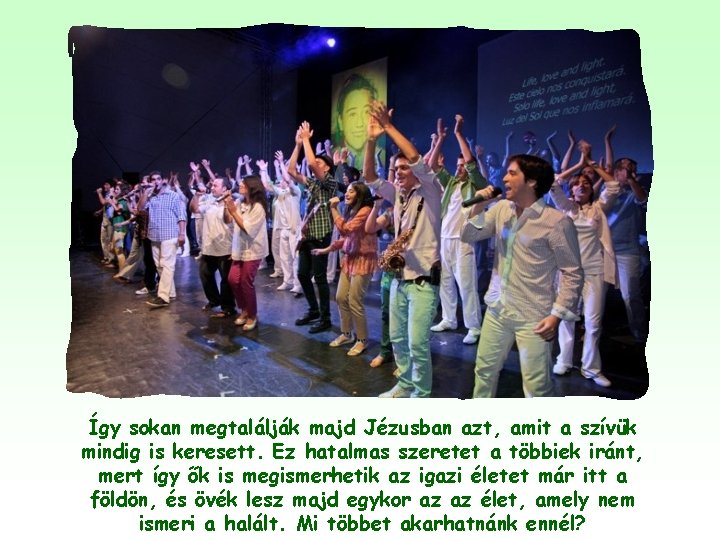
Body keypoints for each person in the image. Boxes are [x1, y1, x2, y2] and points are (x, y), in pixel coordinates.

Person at [462, 155, 583, 398]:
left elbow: (573, 272)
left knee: (536, 388)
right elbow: (468, 235)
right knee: (484, 372)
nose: (505, 178)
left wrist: (556, 315)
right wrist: (479, 206)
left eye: (512, 173)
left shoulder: (556, 222)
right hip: (498, 308)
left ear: (532, 181)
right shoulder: (501, 210)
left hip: (534, 315)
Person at [368, 102, 442, 398]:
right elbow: (370, 176)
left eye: (403, 168)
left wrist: (388, 127)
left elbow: (414, 157)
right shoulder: (397, 194)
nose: (398, 172)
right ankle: (405, 383)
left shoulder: (431, 190)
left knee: (417, 343)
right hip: (399, 278)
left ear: (415, 172)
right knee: (398, 339)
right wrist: (371, 141)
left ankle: (420, 395)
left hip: (423, 281)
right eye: (396, 169)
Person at [549, 146, 620, 387]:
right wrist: (580, 164)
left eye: (586, 184)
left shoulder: (598, 208)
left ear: (591, 189)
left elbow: (614, 186)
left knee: (593, 322)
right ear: (572, 189)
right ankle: (564, 360)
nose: (581, 186)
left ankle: (591, 368)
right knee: (566, 317)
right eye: (577, 184)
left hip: (593, 271)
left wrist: (593, 164)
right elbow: (553, 183)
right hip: (569, 273)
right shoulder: (565, 208)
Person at [428, 114, 487, 344]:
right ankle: (449, 318)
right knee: (445, 282)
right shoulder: (451, 183)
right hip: (445, 239)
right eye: (458, 165)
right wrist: (440, 140)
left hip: (463, 241)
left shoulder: (476, 184)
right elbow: (433, 166)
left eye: (463, 166)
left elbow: (472, 164)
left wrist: (458, 134)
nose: (460, 168)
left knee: (466, 285)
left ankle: (474, 327)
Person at [312, 182, 377, 356]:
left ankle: (362, 340)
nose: (346, 194)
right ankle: (347, 334)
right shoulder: (352, 211)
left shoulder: (365, 211)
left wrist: (333, 208)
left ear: (360, 194)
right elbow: (346, 238)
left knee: (355, 301)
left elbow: (346, 229)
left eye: (351, 191)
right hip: (349, 259)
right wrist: (326, 250)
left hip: (363, 260)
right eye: (346, 191)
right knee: (341, 297)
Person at [287, 122, 338, 334]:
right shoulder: (313, 183)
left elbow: (310, 162)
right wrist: (298, 144)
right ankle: (314, 310)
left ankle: (325, 318)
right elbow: (291, 170)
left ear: (326, 168)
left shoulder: (330, 182)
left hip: (320, 235)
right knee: (301, 275)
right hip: (307, 236)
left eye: (319, 162)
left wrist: (307, 139)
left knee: (320, 278)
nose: (314, 163)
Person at [605, 156, 648, 343]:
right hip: (602, 250)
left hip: (627, 251)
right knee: (596, 295)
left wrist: (630, 180)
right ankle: (597, 332)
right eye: (627, 169)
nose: (632, 172)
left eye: (633, 170)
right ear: (617, 172)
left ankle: (640, 334)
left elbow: (642, 198)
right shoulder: (606, 191)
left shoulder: (635, 191)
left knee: (630, 295)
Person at [224, 176, 269, 330]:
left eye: (244, 184)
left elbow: (248, 229)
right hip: (239, 248)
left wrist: (233, 211)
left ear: (252, 187)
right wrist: (227, 206)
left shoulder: (258, 207)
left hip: (253, 249)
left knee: (245, 281)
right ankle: (244, 309)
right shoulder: (239, 202)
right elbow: (228, 220)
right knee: (232, 279)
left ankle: (252, 315)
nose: (240, 185)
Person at [139, 171, 187, 309]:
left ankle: (163, 296)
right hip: (154, 235)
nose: (156, 182)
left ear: (162, 180)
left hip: (170, 234)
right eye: (153, 180)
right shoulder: (150, 197)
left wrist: (182, 234)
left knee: (167, 265)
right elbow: (140, 208)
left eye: (158, 179)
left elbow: (181, 215)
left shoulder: (172, 196)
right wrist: (145, 193)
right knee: (159, 265)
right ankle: (171, 292)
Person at [191, 176, 236, 319]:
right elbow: (195, 209)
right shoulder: (210, 202)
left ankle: (228, 307)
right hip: (209, 248)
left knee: (226, 280)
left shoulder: (233, 203)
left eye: (215, 185)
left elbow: (228, 220)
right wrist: (197, 195)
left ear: (225, 188)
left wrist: (226, 201)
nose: (212, 187)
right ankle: (214, 300)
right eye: (212, 185)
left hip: (225, 248)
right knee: (205, 275)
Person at [333, 74, 378, 168]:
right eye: (353, 114)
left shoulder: (381, 155)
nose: (359, 123)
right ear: (340, 121)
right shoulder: (333, 157)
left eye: (366, 112)